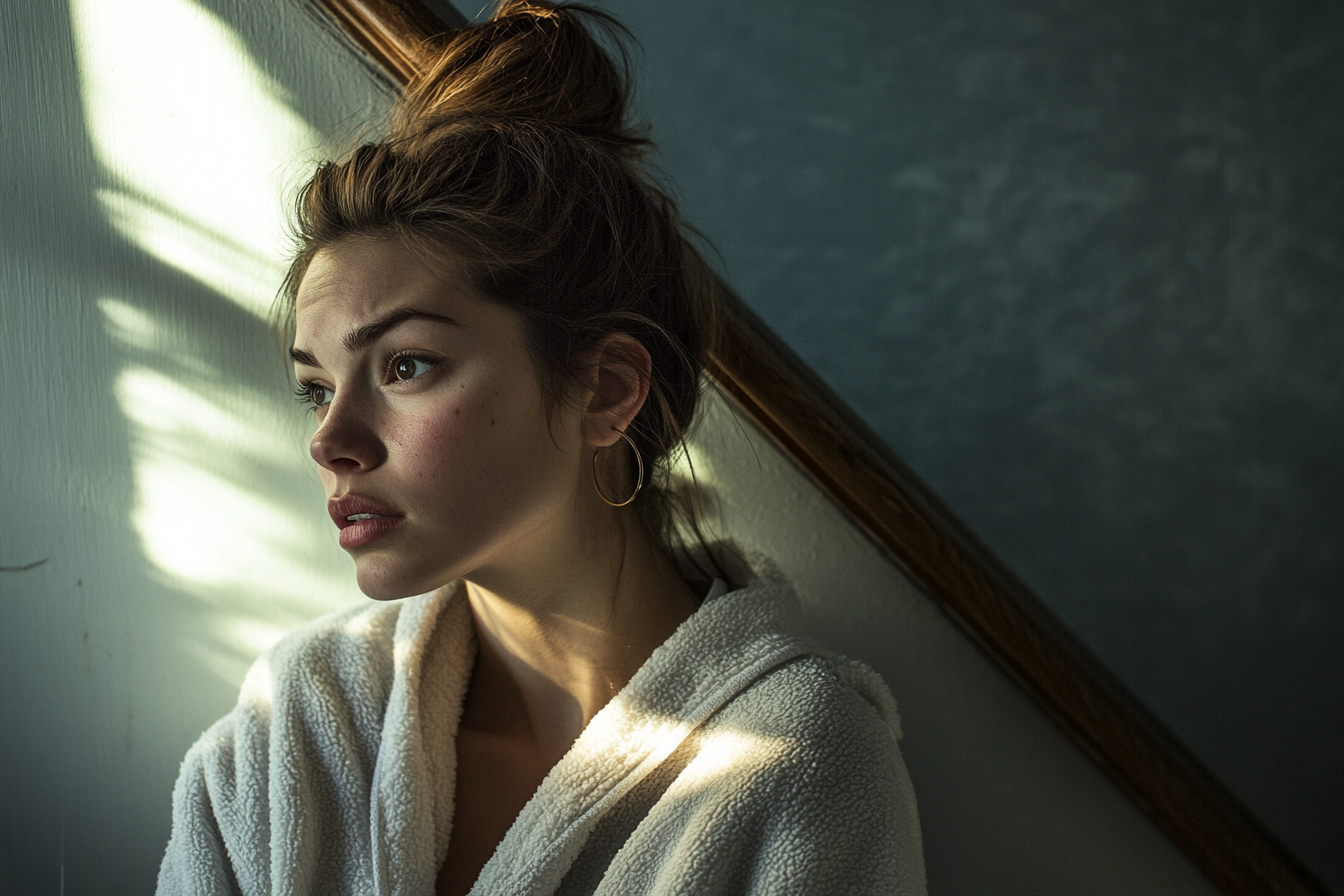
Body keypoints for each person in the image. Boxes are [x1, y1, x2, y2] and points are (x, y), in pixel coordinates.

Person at [156, 2, 925, 894]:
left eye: (406, 365)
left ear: (606, 390)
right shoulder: (295, 721)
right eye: (317, 388)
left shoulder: (802, 765)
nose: (332, 441)